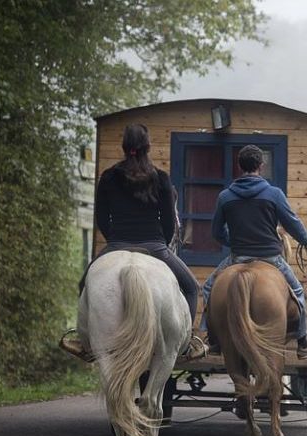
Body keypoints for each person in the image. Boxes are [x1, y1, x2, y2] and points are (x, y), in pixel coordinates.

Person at [61, 123, 206, 362]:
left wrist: (115, 242)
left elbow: (102, 218)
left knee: (84, 283)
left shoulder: (109, 176)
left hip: (117, 244)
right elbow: (169, 221)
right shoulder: (161, 178)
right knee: (191, 287)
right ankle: (187, 341)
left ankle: (84, 341)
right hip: (155, 246)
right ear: (148, 147)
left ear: (124, 146)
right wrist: (160, 241)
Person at [202, 144, 307, 359]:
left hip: (238, 257)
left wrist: (232, 240)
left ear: (239, 166)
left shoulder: (225, 196)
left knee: (208, 288)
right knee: (298, 291)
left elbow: (216, 232)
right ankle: (302, 341)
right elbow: (291, 222)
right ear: (261, 167)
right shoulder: (274, 194)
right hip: (271, 258)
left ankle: (212, 338)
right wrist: (305, 239)